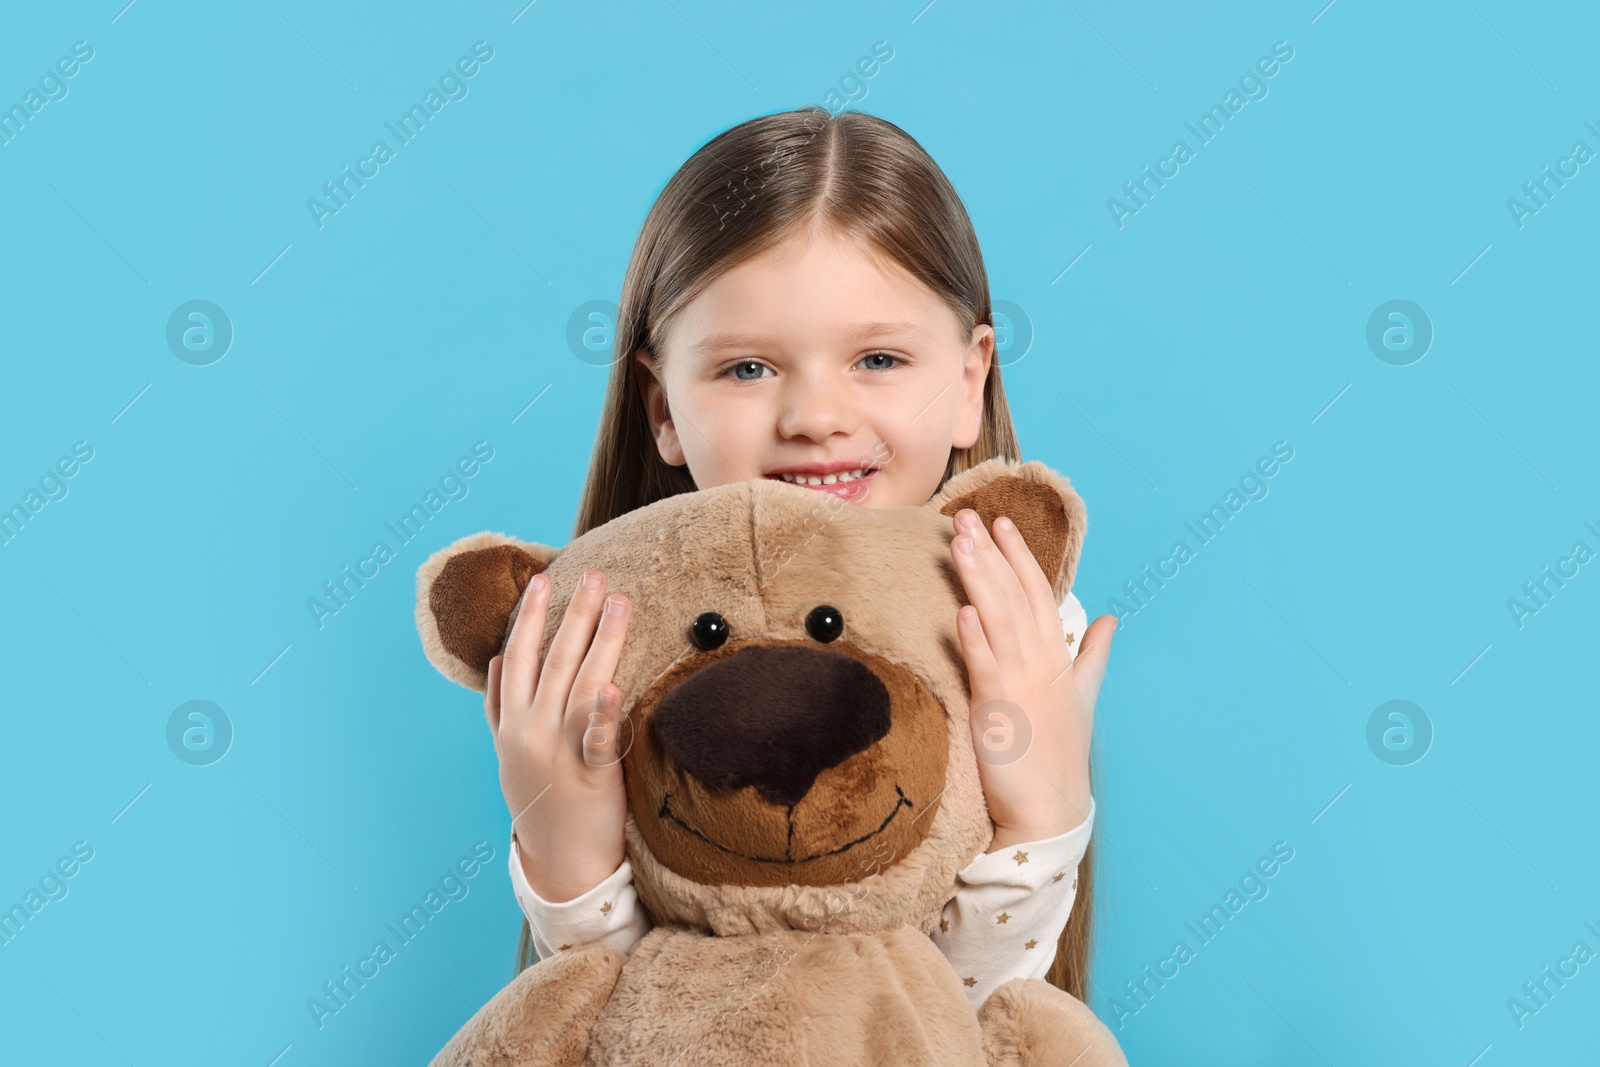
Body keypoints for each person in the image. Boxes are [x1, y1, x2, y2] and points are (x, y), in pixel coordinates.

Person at [480, 105, 1116, 1007]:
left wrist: (1042, 819)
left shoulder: (1018, 634)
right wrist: (571, 865)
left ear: (971, 380)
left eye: (880, 358)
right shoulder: (601, 650)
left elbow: (976, 1027)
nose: (815, 415)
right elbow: (615, 1028)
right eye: (748, 368)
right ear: (662, 408)